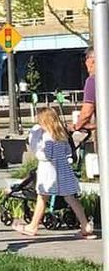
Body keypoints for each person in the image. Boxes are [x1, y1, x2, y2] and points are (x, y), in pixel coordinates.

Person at [15, 107, 93, 240]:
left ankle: (32, 226)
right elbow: (68, 152)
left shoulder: (47, 137)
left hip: (49, 173)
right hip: (64, 172)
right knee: (72, 199)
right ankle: (85, 226)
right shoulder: (62, 135)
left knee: (41, 198)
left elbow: (46, 155)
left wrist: (36, 151)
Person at [74, 48, 96, 151]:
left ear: (91, 61)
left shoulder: (93, 81)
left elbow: (87, 112)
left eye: (86, 59)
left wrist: (77, 126)